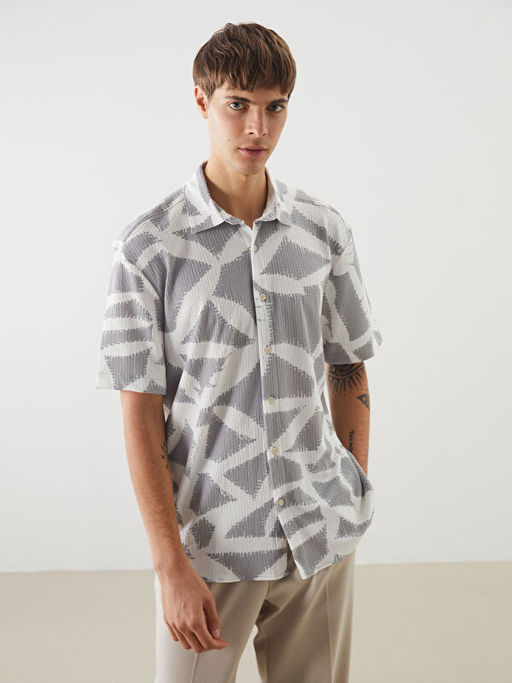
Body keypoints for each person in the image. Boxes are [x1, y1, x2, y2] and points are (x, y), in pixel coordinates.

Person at [96, 21, 383, 683]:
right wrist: (169, 566)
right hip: (211, 546)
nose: (258, 127)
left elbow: (348, 363)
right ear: (202, 101)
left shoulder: (323, 231)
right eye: (238, 105)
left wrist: (351, 488)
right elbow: (139, 410)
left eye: (275, 107)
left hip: (319, 535)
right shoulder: (148, 247)